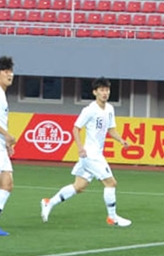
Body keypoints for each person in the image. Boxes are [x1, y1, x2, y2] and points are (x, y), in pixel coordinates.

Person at [41, 78, 132, 227]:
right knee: (111, 183)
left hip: (96, 154)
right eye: (101, 90)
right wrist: (80, 148)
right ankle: (112, 217)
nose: (105, 93)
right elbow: (76, 128)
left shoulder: (109, 109)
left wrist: (121, 140)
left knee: (79, 186)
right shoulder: (89, 110)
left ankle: (48, 202)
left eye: (107, 90)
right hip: (90, 155)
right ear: (95, 92)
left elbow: (111, 129)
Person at [0, 56, 16, 236]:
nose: (10, 75)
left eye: (11, 71)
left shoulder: (1, 93)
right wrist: (6, 134)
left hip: (0, 145)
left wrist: (6, 142)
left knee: (7, 184)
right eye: (6, 71)